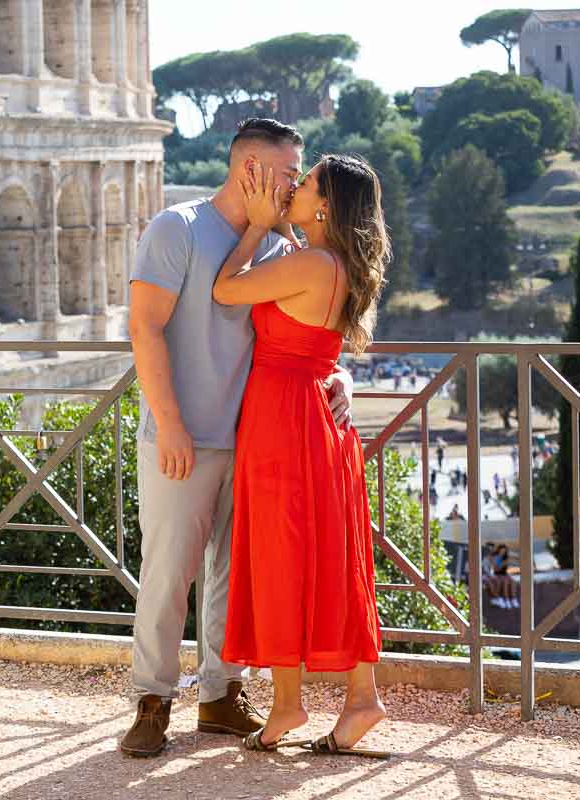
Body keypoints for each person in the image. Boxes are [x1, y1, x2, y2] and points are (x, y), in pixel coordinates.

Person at [120, 118, 353, 758]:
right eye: (286, 175)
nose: (294, 188)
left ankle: (222, 696)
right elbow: (144, 328)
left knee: (235, 576)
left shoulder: (278, 248)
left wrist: (342, 379)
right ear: (247, 168)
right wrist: (169, 423)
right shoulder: (178, 228)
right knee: (168, 574)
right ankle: (152, 702)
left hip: (256, 440)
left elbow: (302, 332)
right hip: (183, 435)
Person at [213, 152, 388, 759]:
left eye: (304, 182)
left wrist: (259, 224)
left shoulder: (312, 262)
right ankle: (331, 699)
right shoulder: (325, 260)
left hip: (286, 422)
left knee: (282, 552)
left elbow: (225, 290)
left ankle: (302, 700)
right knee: (324, 555)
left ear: (326, 205)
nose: (294, 187)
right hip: (309, 418)